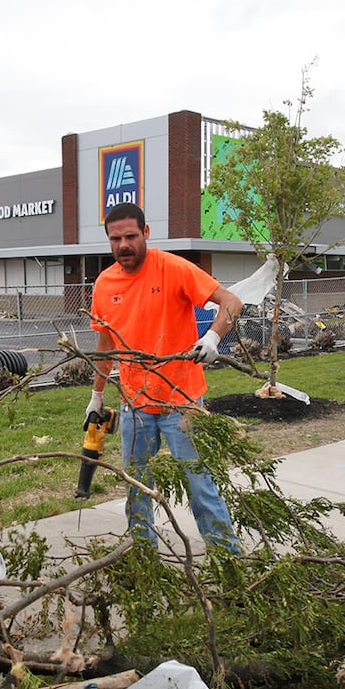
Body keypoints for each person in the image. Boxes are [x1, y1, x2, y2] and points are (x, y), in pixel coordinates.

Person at [88, 202, 244, 553]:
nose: (123, 245)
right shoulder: (104, 284)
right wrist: (97, 397)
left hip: (182, 403)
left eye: (130, 236)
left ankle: (228, 559)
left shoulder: (173, 269)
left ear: (145, 233)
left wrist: (214, 337)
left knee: (200, 484)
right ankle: (144, 558)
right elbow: (104, 345)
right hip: (134, 406)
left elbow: (232, 301)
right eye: (115, 239)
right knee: (137, 486)